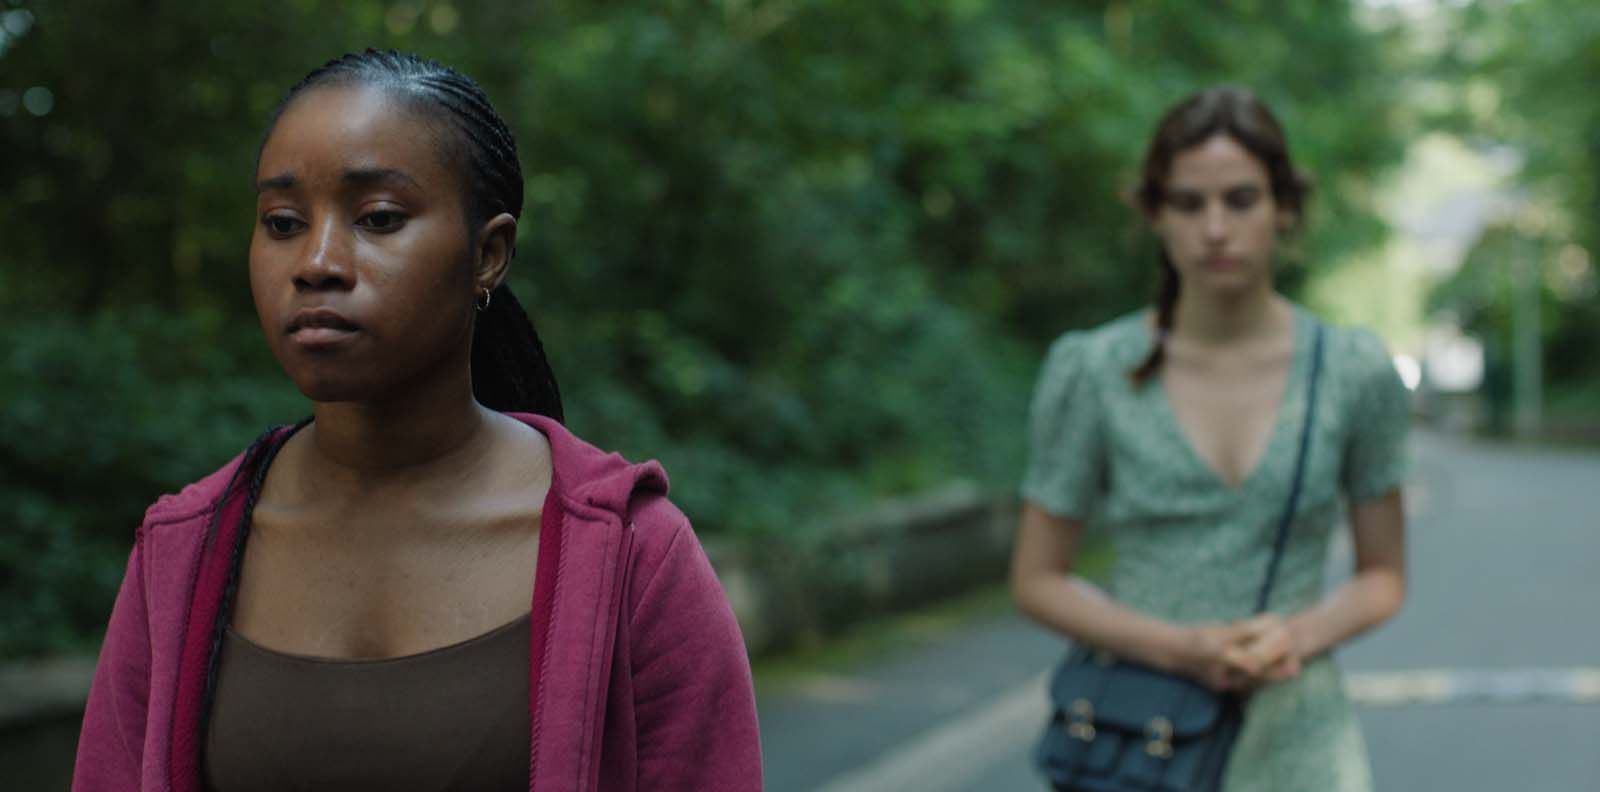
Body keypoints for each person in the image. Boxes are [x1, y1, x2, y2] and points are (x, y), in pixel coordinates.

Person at [72, 50, 761, 792]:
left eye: (378, 218)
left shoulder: (631, 555)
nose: (317, 262)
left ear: (488, 254)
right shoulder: (179, 554)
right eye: (282, 222)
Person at [1010, 86, 1409, 790]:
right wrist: (1179, 650)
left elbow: (1384, 574)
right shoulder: (1097, 370)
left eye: (1241, 200)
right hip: (1142, 739)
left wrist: (1294, 635)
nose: (1216, 229)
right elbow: (1037, 578)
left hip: (1301, 745)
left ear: (1284, 207)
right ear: (1155, 215)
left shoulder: (1351, 370)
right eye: (1189, 204)